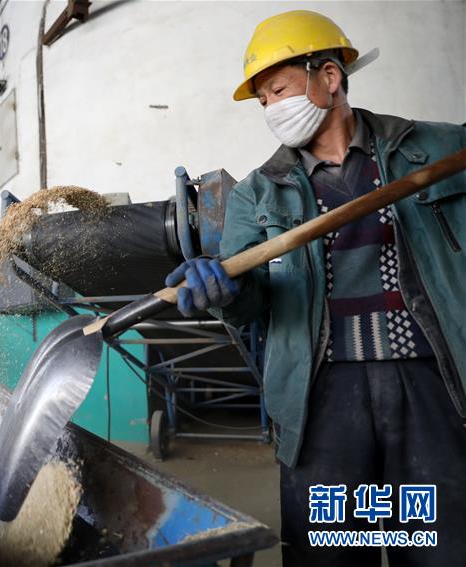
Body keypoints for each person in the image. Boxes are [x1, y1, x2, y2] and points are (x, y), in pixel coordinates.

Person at [165, 10, 466, 567]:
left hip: (430, 385)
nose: (271, 110)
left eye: (278, 90)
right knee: (331, 551)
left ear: (328, 77)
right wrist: (225, 292)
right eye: (263, 101)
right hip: (322, 399)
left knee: (436, 547)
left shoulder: (439, 152)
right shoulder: (259, 194)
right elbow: (254, 299)